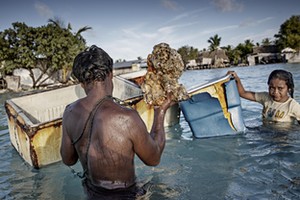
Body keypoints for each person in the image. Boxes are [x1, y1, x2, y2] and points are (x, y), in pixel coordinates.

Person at [60, 45, 174, 199]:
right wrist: (160, 112)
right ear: (110, 74)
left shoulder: (69, 112)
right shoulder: (127, 117)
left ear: (81, 83)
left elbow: (68, 159)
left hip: (91, 193)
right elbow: (153, 159)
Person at [227, 69, 300, 124]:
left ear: (289, 89)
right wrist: (237, 79)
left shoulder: (293, 106)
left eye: (280, 88)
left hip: (282, 138)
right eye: (272, 88)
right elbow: (242, 93)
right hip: (265, 133)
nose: (275, 92)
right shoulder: (266, 97)